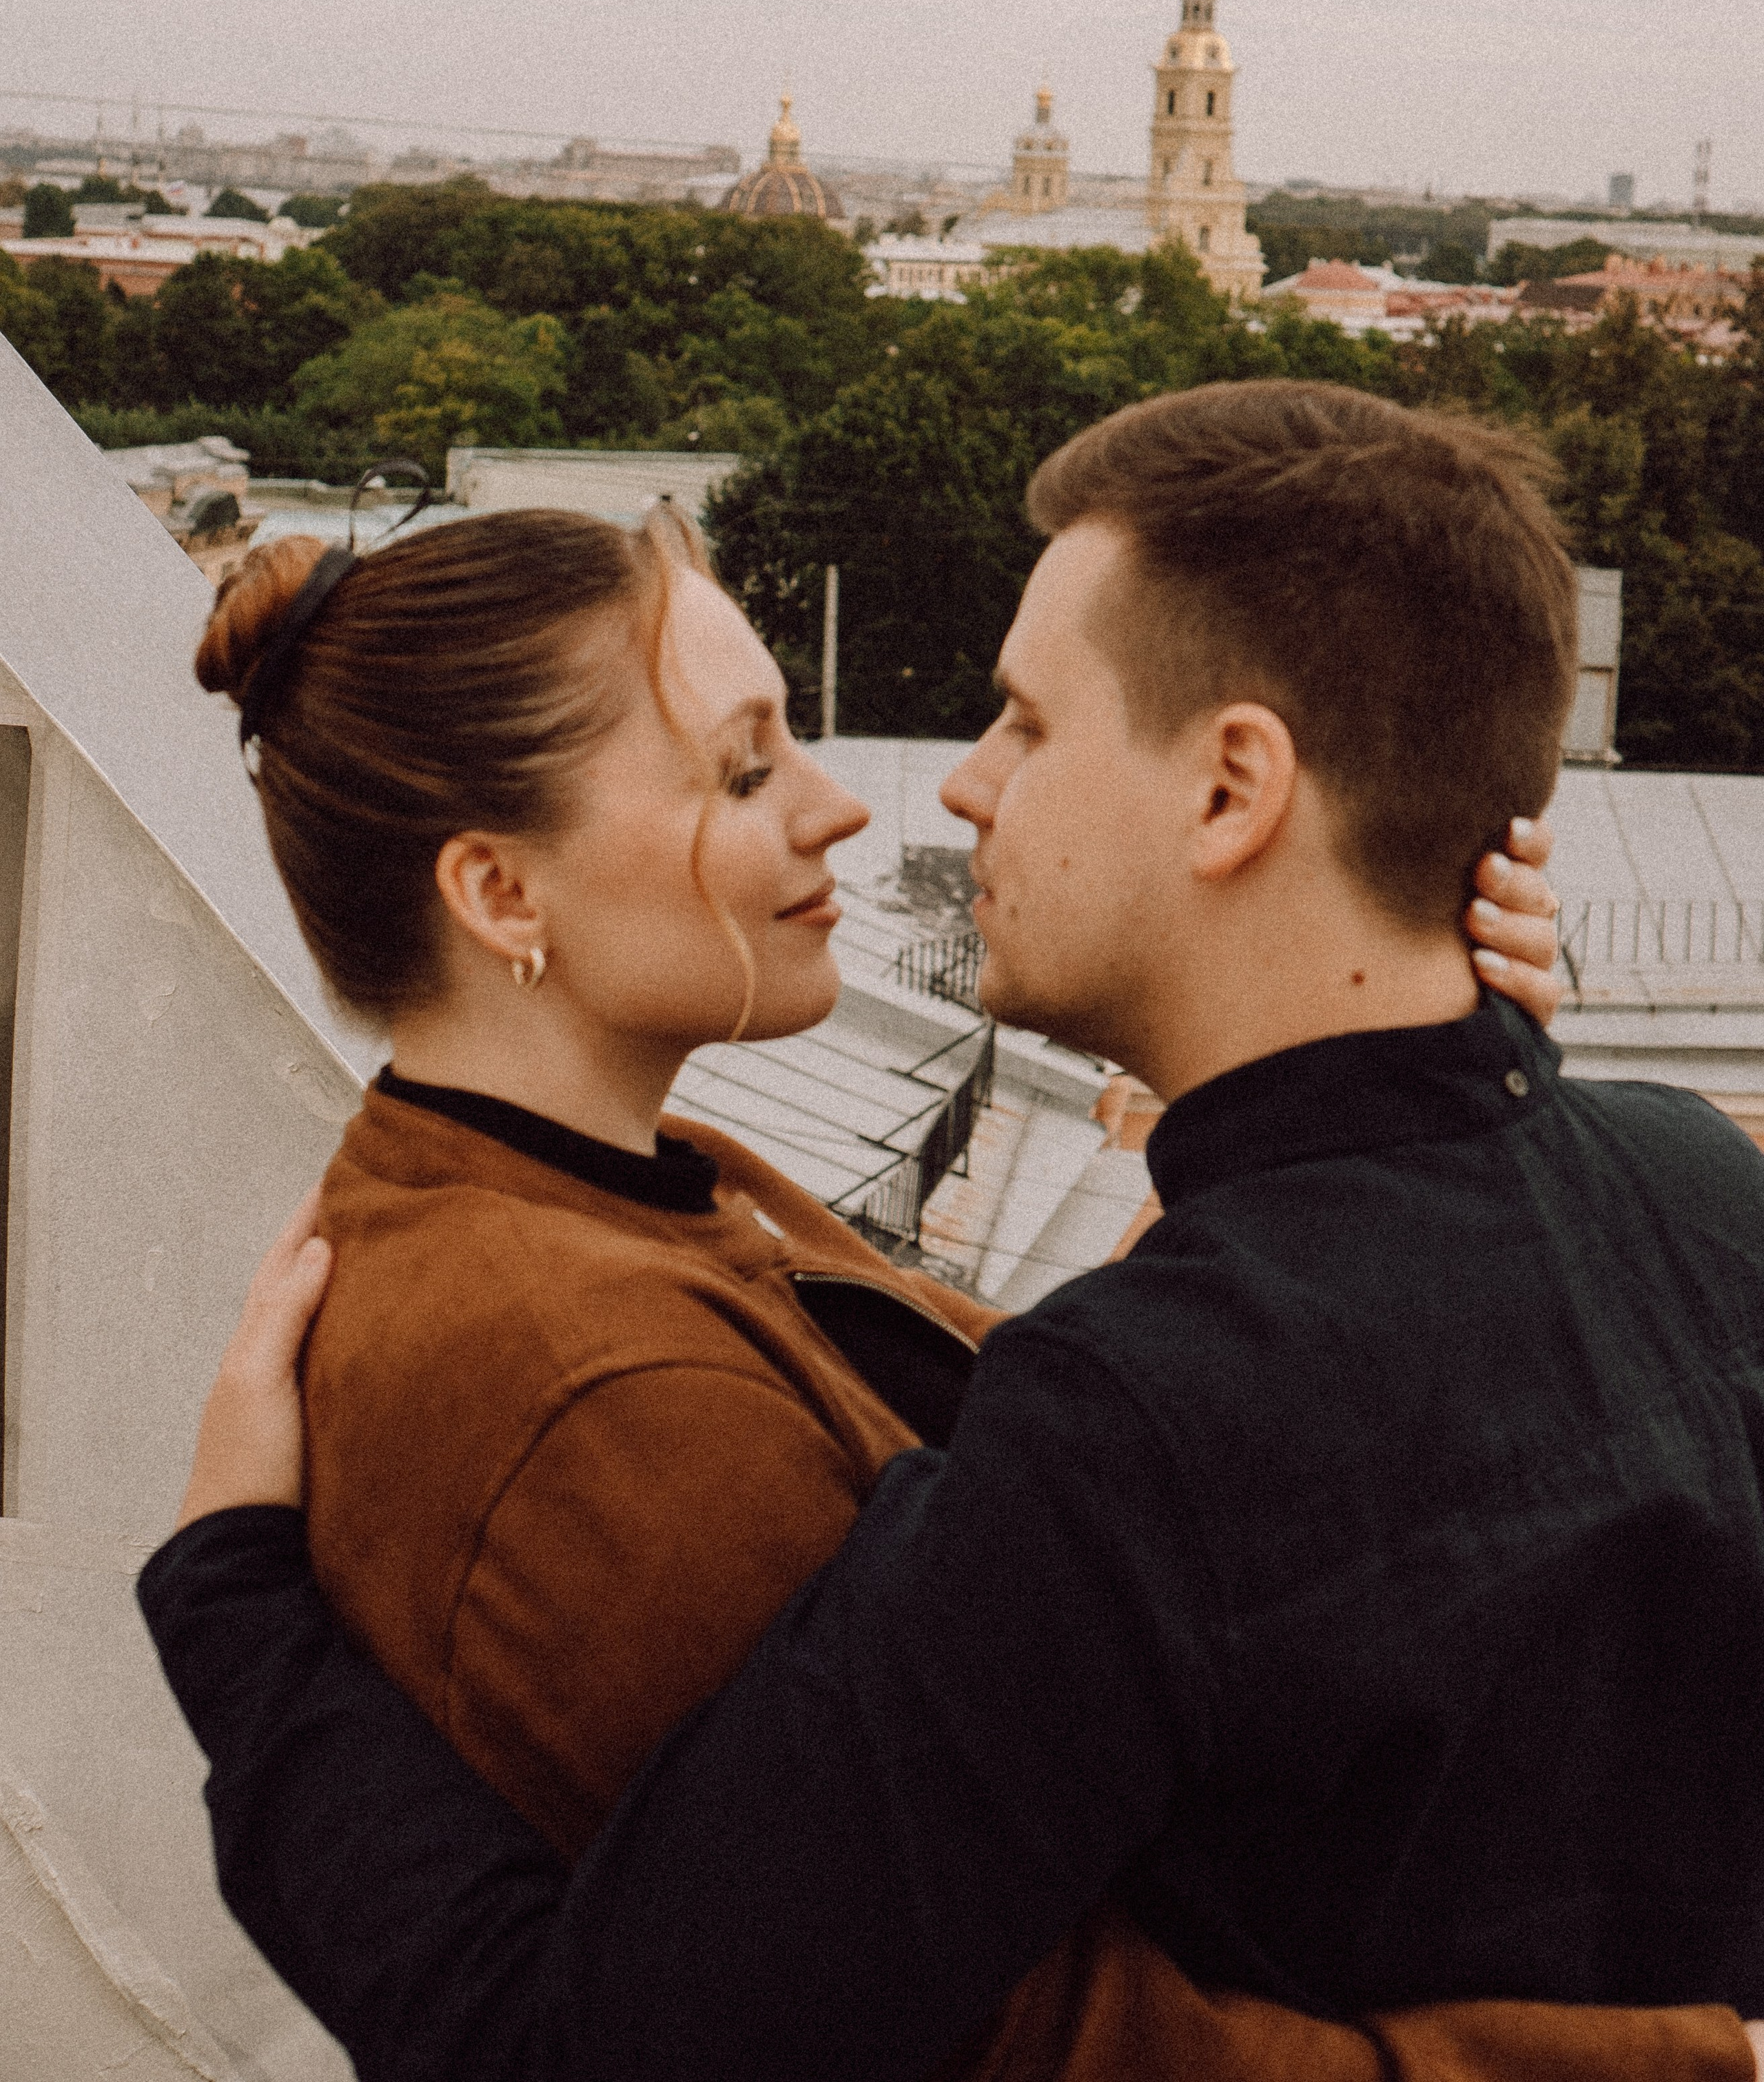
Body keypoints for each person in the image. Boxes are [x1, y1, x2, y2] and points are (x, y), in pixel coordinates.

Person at [139, 392, 1764, 2082]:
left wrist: (236, 1628)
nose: (931, 793)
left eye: (1021, 723)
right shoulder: (1697, 1185)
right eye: (747, 764)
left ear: (1230, 791)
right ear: (494, 893)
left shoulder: (1083, 1386)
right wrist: (1459, 1108)